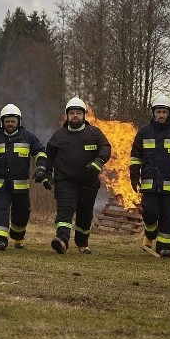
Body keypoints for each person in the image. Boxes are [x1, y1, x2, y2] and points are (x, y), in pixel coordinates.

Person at [44, 97, 111, 254]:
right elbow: (49, 156)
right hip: (64, 181)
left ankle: (82, 243)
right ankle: (62, 240)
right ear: (67, 116)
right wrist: (47, 173)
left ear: (84, 115)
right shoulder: (58, 136)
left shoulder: (94, 133)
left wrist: (99, 161)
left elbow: (105, 148)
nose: (75, 116)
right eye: (72, 113)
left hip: (88, 182)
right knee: (65, 211)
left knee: (85, 214)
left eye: (78, 113)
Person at [129, 95, 170, 258]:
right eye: (158, 112)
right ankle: (150, 231)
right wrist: (134, 177)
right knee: (149, 211)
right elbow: (135, 157)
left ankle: (165, 247)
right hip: (149, 183)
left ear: (169, 114)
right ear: (153, 113)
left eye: (164, 112)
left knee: (166, 216)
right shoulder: (144, 132)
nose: (161, 115)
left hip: (168, 184)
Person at [0, 104, 49, 251]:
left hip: (21, 186)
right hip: (1, 185)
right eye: (7, 121)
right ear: (2, 122)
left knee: (21, 213)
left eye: (13, 121)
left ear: (18, 122)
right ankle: (0, 239)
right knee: (0, 209)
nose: (10, 124)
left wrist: (41, 168)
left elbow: (40, 152)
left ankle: (17, 236)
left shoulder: (28, 138)